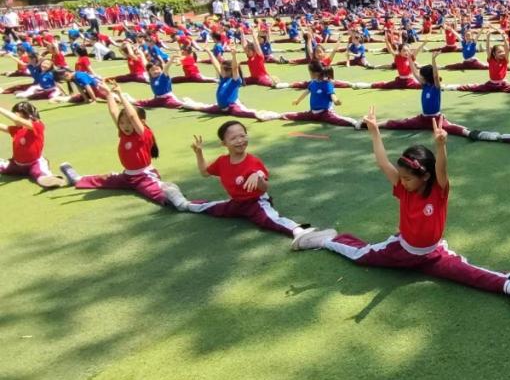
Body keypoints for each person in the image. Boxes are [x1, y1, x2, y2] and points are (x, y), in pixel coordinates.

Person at [294, 109, 510, 302]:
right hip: (401, 249)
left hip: (433, 254)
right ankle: (326, 239)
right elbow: (382, 162)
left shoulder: (438, 192)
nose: (402, 182)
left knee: (468, 273)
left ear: (425, 176)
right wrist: (375, 132)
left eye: (408, 178)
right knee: (360, 255)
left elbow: (442, 171)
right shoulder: (403, 188)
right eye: (401, 177)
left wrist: (441, 146)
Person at [161, 120, 336, 249]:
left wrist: (258, 179)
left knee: (270, 219)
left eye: (242, 135)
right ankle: (183, 203)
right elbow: (205, 172)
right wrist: (199, 153)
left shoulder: (253, 161)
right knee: (211, 207)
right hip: (236, 203)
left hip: (256, 202)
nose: (239, 140)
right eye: (233, 138)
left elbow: (265, 188)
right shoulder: (222, 161)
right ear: (224, 143)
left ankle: (301, 233)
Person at [59, 81, 175, 205]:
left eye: (129, 123)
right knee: (104, 179)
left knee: (152, 191)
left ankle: (170, 199)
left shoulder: (143, 134)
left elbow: (132, 116)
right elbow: (114, 112)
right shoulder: (124, 133)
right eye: (122, 123)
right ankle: (77, 179)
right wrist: (108, 94)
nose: (125, 126)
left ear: (142, 121)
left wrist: (120, 95)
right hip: (127, 176)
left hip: (144, 175)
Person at [381, 49, 469, 136]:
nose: (419, 76)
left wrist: (433, 60)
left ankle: (469, 133)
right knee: (400, 123)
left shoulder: (436, 86)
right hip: (423, 118)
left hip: (436, 118)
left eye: (421, 75)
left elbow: (435, 76)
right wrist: (409, 59)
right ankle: (376, 124)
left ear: (426, 77)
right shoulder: (424, 85)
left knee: (451, 128)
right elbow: (414, 72)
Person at [0, 102, 65, 188]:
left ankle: (50, 179)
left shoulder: (38, 126)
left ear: (27, 115)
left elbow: (16, 119)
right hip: (16, 164)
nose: (14, 120)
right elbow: (3, 126)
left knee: (40, 173)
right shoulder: (17, 130)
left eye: (18, 115)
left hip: (34, 163)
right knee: (3, 166)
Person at [279, 62, 360, 128]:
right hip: (313, 113)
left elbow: (331, 94)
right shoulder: (313, 83)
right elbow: (307, 92)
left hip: (325, 113)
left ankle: (355, 123)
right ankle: (277, 115)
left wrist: (336, 101)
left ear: (316, 73)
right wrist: (298, 100)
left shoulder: (327, 84)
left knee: (337, 120)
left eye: (310, 72)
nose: (309, 74)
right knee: (298, 116)